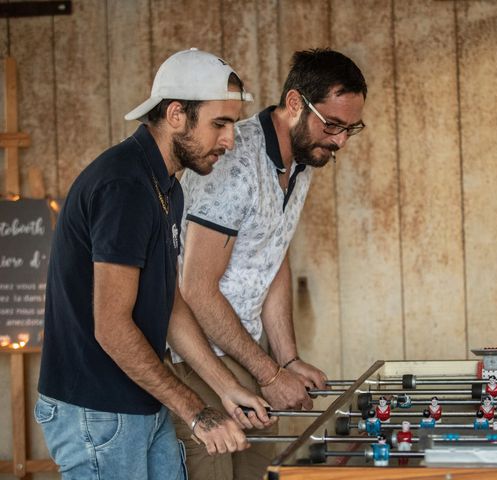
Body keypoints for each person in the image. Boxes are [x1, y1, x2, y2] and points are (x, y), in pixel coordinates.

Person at [35, 48, 273, 480]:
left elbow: (169, 304)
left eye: (232, 126)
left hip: (142, 399)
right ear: (177, 114)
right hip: (97, 411)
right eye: (220, 124)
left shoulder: (167, 187)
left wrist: (226, 388)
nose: (230, 141)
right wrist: (197, 413)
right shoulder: (124, 186)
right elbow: (111, 325)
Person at [169, 48, 367, 480]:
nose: (340, 141)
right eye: (332, 125)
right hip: (194, 356)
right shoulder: (233, 161)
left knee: (264, 470)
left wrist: (288, 360)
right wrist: (270, 373)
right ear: (295, 104)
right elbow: (196, 289)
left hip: (245, 348)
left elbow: (272, 255)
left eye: (351, 128)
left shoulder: (304, 161)